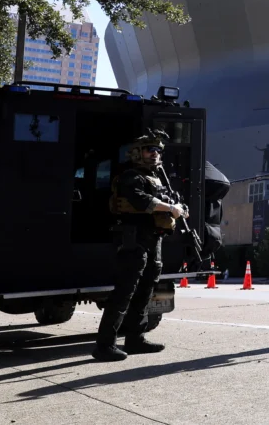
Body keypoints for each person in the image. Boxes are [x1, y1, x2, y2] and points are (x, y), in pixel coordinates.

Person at [93, 129, 189, 362]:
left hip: (152, 238)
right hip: (134, 239)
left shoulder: (156, 178)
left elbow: (171, 203)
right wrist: (170, 209)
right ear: (137, 153)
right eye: (149, 149)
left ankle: (136, 338)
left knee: (146, 291)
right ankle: (104, 345)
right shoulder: (131, 176)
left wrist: (180, 208)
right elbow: (140, 200)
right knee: (125, 291)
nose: (155, 154)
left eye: (157, 150)